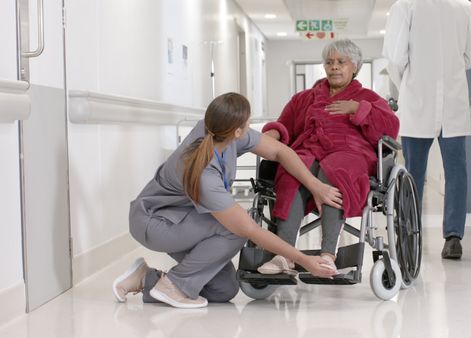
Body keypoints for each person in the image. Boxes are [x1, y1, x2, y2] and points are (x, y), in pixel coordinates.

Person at [112, 92, 342, 309]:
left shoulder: (221, 132)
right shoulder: (204, 173)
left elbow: (280, 152)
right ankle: (174, 285)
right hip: (155, 222)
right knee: (235, 229)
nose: (251, 127)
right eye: (248, 123)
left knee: (223, 290)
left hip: (188, 220)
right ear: (238, 130)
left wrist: (316, 186)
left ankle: (146, 277)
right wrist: (304, 260)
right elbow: (249, 230)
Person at [257, 39, 399, 274]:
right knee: (291, 172)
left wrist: (357, 109)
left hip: (350, 152)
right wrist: (270, 134)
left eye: (341, 62)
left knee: (336, 170)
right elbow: (285, 125)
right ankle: (284, 255)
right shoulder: (305, 98)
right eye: (329, 62)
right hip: (310, 150)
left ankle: (327, 255)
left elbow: (390, 127)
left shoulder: (368, 97)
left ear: (355, 66)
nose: (334, 67)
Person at [382, 0, 471, 259]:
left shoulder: (405, 5)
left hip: (418, 102)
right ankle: (453, 238)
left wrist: (411, 83)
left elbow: (395, 58)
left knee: (413, 173)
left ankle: (408, 235)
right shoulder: (465, 6)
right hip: (454, 102)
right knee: (457, 170)